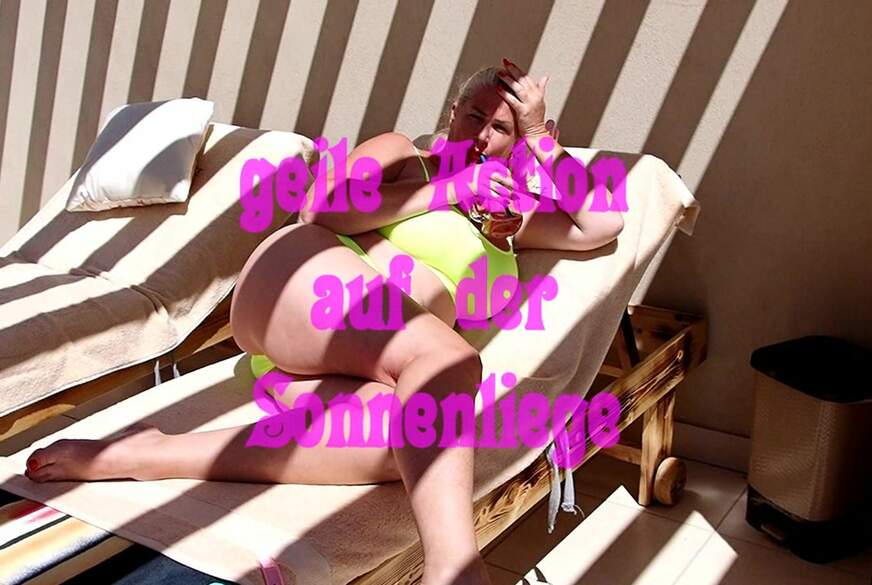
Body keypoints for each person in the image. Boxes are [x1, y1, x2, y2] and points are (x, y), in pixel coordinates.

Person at [24, 59, 624, 585]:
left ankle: (155, 454)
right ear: (452, 113)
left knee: (416, 447)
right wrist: (448, 189)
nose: (483, 136)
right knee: (449, 361)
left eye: (503, 129)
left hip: (338, 367)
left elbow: (603, 222)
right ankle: (455, 569)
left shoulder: (511, 220)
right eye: (475, 117)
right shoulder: (405, 155)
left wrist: (541, 139)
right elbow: (321, 206)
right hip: (298, 281)